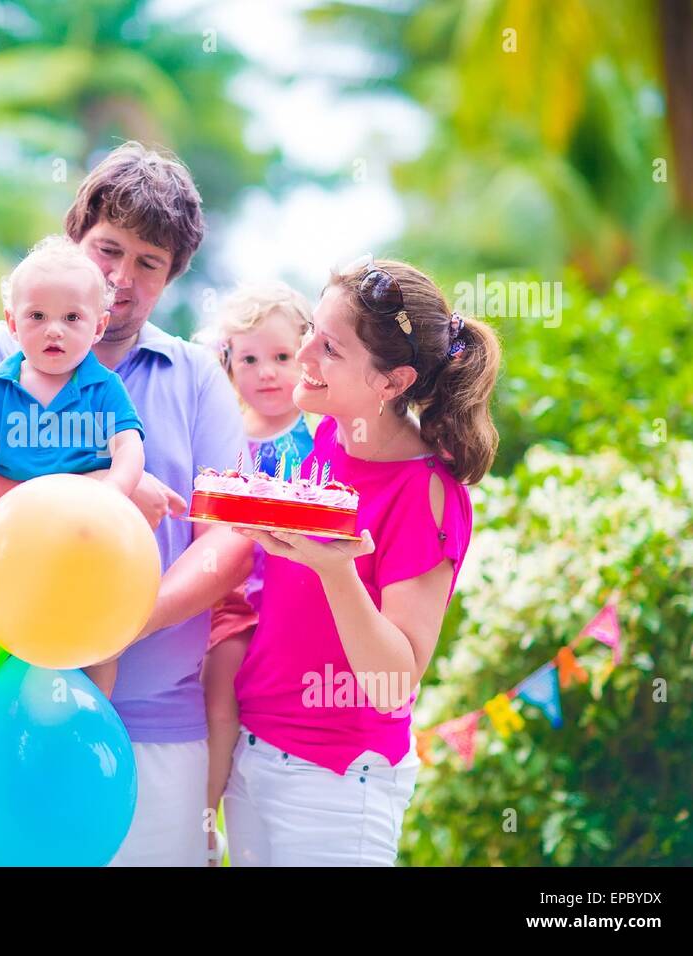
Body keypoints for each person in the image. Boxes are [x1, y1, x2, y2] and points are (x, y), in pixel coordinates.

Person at [0, 142, 252, 867]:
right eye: (108, 248)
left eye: (148, 263)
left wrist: (121, 621)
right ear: (76, 236)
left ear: (172, 278)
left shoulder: (195, 376)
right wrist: (104, 501)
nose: (120, 278)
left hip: (153, 728)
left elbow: (231, 540)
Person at [224, 256, 501, 866]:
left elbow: (393, 682)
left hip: (338, 783)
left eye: (329, 348)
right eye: (310, 334)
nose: (302, 356)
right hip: (256, 750)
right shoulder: (327, 437)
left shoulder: (427, 493)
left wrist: (335, 569)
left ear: (392, 383)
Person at [0, 235, 145, 694]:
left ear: (98, 326)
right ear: (12, 324)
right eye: (37, 316)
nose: (53, 330)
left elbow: (130, 445)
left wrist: (113, 494)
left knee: (101, 636)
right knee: (8, 625)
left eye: (72, 318)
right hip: (14, 541)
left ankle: (91, 707)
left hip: (87, 538)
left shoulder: (105, 388)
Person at [192, 282, 315, 858]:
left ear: (307, 355)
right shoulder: (227, 435)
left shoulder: (320, 435)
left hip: (302, 599)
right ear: (228, 363)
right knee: (220, 685)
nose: (267, 373)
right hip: (238, 597)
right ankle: (204, 817)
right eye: (249, 359)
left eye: (282, 357)